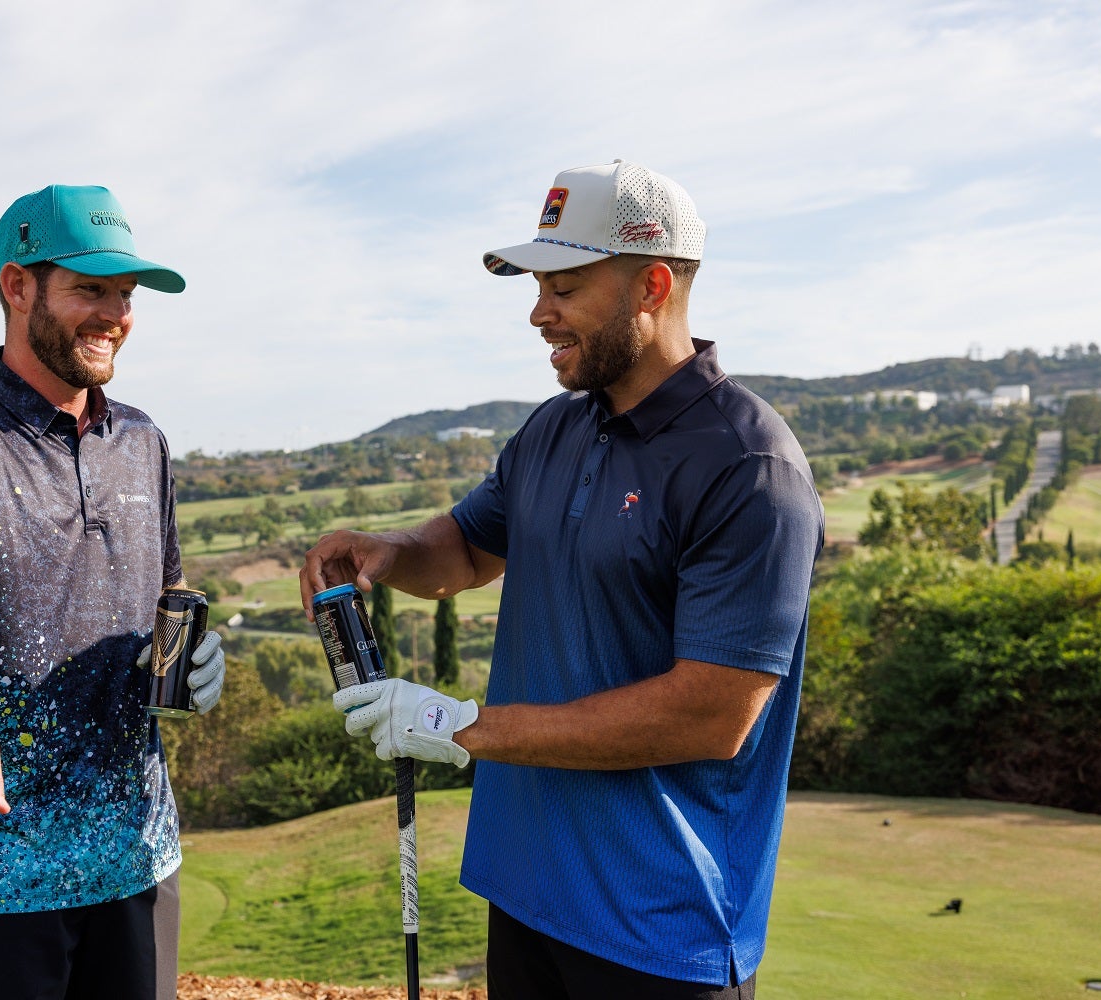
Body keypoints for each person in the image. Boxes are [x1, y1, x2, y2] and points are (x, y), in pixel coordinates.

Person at [300, 161, 823, 999]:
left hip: (661, 930)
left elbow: (714, 714)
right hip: (528, 892)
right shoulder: (554, 428)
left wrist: (459, 726)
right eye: (539, 287)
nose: (539, 312)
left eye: (565, 287)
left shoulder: (747, 466)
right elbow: (466, 552)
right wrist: (388, 551)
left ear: (652, 286)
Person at [0, 183, 225, 1000]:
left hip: (137, 865)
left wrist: (190, 657)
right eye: (90, 290)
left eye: (125, 294)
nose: (115, 315)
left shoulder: (143, 439)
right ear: (17, 286)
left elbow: (168, 590)